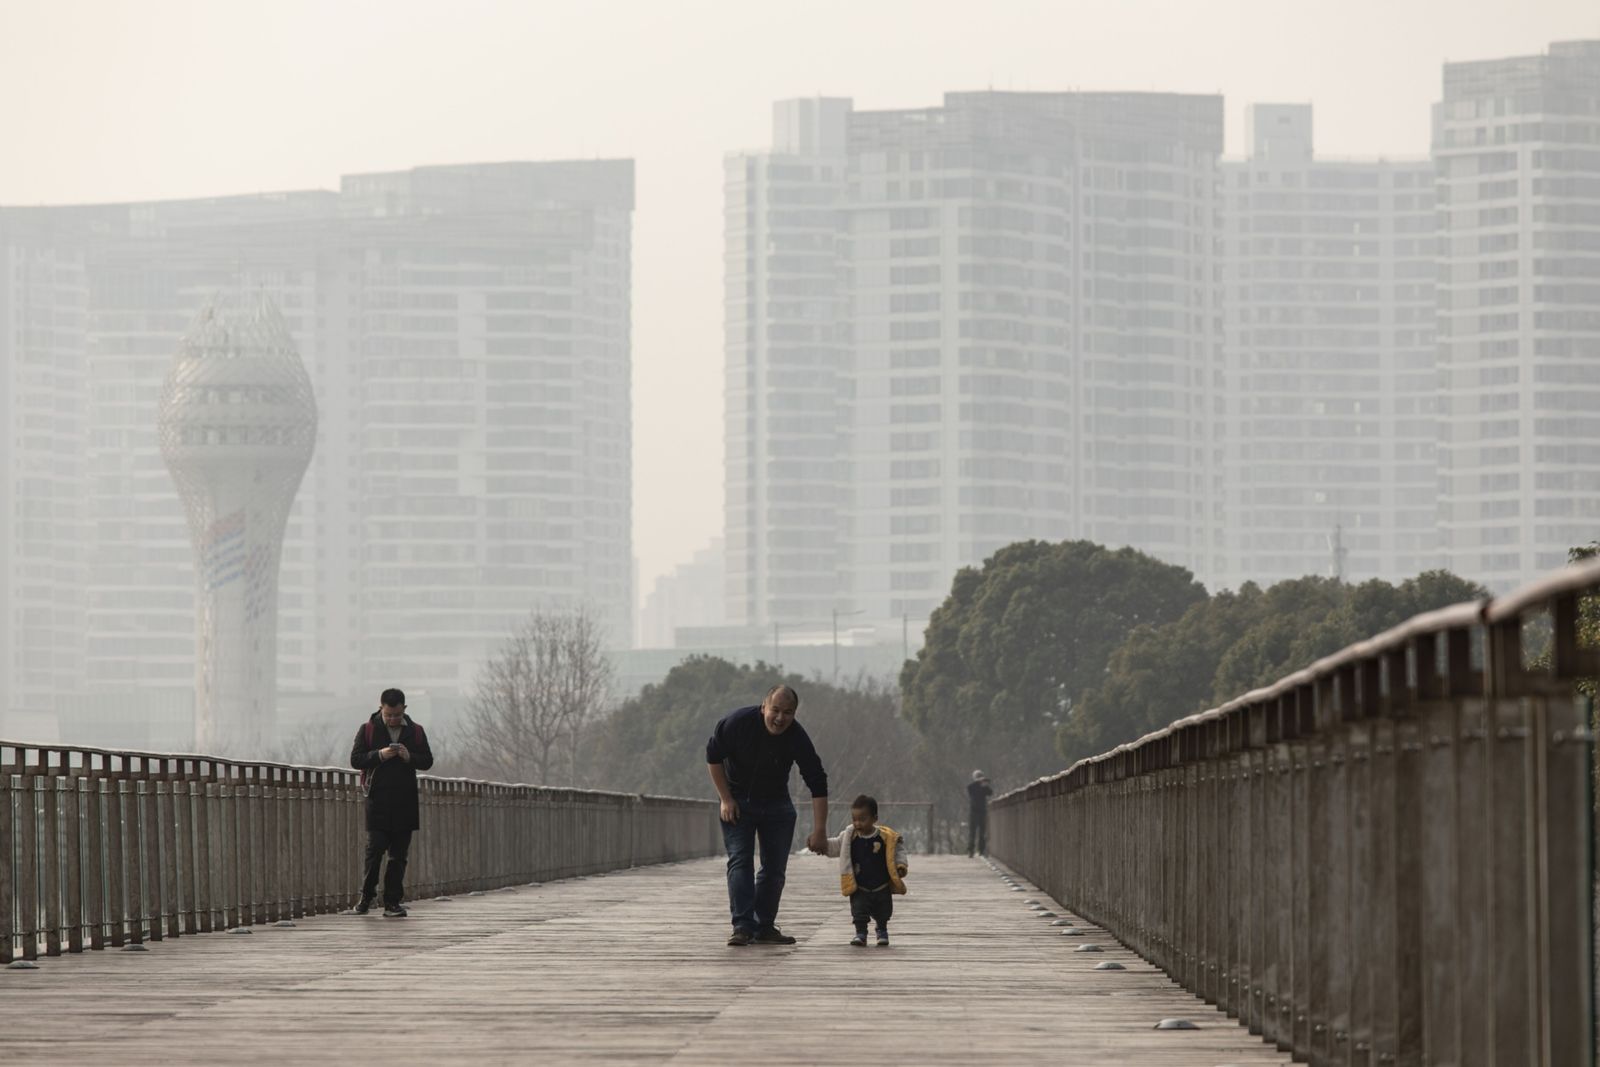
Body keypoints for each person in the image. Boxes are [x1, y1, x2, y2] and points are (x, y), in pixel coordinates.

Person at [705, 684, 829, 947]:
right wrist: (725, 799)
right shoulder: (737, 723)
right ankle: (742, 926)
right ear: (764, 707)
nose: (780, 718)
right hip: (738, 798)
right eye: (775, 710)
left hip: (776, 801)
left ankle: (764, 926)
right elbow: (713, 756)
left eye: (788, 712)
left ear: (794, 714)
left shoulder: (796, 736)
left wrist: (820, 830)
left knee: (774, 869)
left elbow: (817, 780)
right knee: (741, 860)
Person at [349, 688, 434, 917]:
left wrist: (410, 757)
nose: (393, 719)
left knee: (399, 856)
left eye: (397, 715)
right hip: (377, 801)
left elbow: (427, 760)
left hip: (405, 802)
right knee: (374, 850)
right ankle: (366, 898)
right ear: (381, 709)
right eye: (388, 715)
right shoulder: (367, 729)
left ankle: (392, 903)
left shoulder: (416, 732)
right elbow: (356, 759)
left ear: (404, 709)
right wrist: (380, 755)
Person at [826, 794, 908, 947]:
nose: (857, 823)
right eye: (854, 819)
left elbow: (897, 850)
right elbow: (835, 846)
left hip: (881, 884)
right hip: (859, 884)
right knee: (858, 911)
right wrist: (822, 845)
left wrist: (900, 866)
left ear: (874, 818)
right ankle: (860, 932)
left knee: (884, 910)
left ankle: (882, 929)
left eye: (862, 819)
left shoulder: (885, 837)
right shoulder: (849, 837)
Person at [966, 769, 993, 857]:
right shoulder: (972, 786)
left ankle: (981, 850)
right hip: (974, 811)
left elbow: (990, 793)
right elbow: (970, 790)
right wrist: (979, 784)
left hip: (982, 811)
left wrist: (985, 786)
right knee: (972, 832)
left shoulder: (984, 786)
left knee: (982, 832)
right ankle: (971, 850)